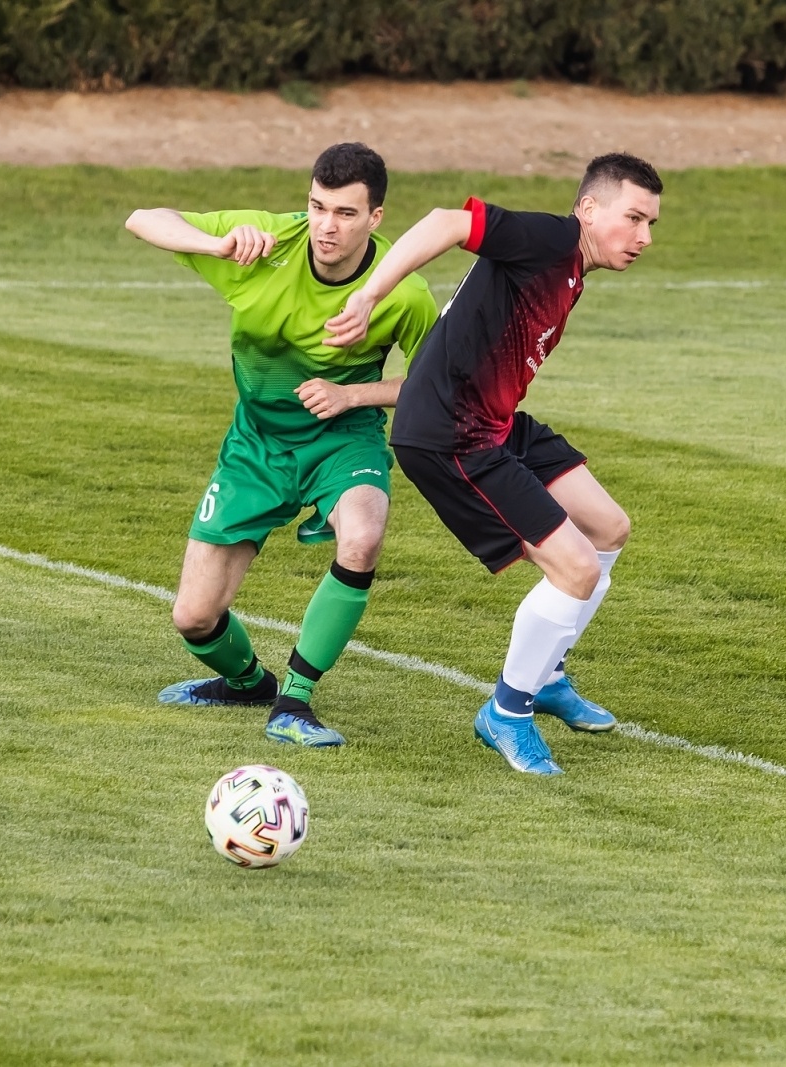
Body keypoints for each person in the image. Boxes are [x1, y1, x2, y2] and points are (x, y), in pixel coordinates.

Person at [324, 152, 662, 775]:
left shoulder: (570, 269)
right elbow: (446, 221)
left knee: (608, 527)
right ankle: (507, 712)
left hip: (496, 423)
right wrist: (368, 295)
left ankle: (547, 674)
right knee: (574, 567)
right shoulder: (552, 239)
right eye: (634, 218)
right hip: (451, 436)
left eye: (651, 224)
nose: (643, 237)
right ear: (589, 209)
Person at [125, 143, 438, 748]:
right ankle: (248, 684)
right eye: (318, 207)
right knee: (194, 617)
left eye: (345, 213)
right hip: (256, 445)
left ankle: (294, 701)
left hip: (342, 441)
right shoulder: (267, 244)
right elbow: (144, 218)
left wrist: (353, 395)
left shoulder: (403, 291)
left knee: (364, 536)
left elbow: (439, 387)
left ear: (376, 218)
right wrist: (214, 245)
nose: (326, 226)